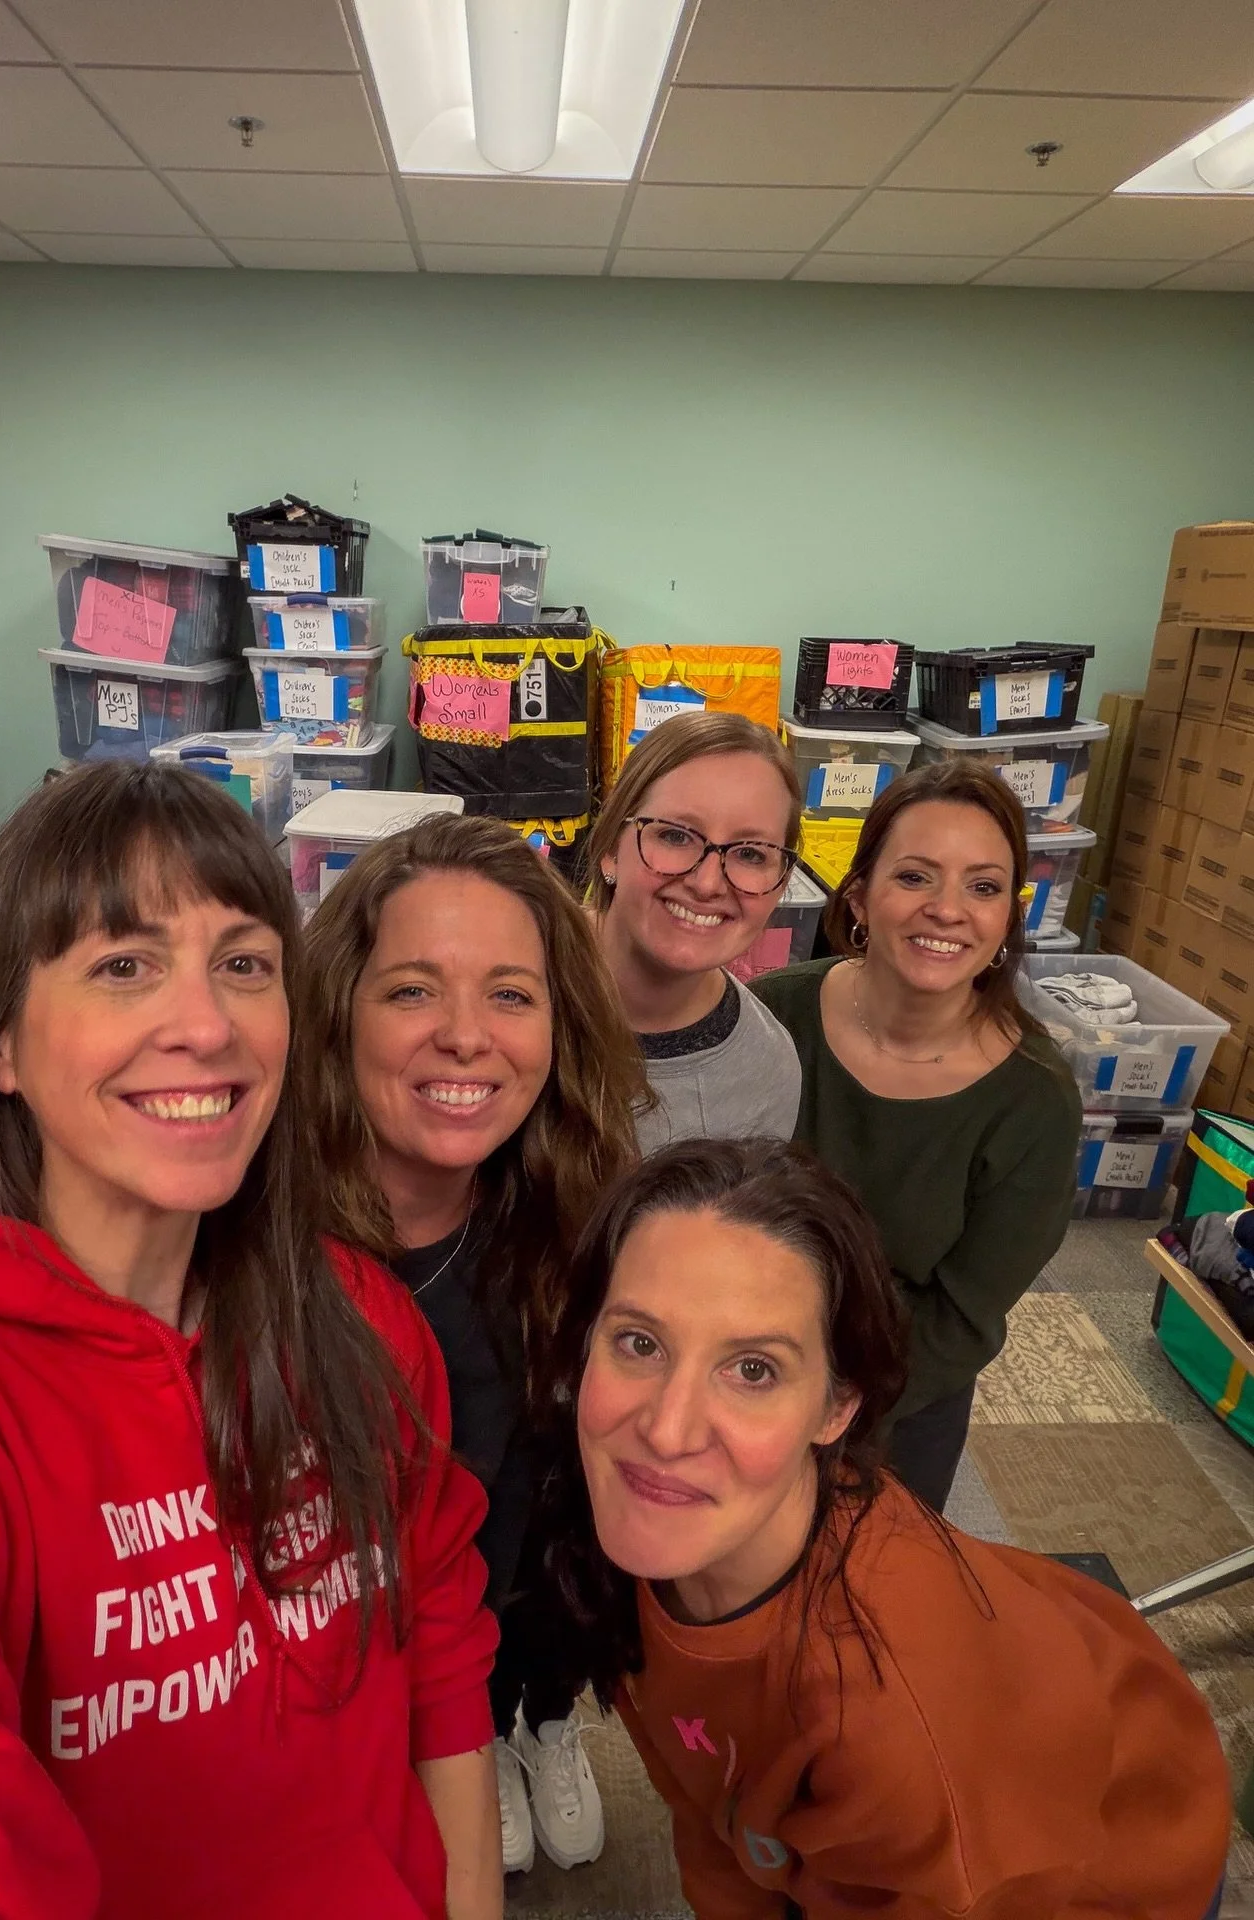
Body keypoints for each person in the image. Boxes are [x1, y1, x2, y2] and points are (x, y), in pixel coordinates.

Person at [0, 763, 502, 1920]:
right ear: (1, 1048)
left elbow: (438, 1657)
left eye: (244, 964)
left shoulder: (359, 1319)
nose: (206, 1024)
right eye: (123, 966)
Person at [546, 1137, 1231, 1920]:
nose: (666, 1431)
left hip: (1094, 1874)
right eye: (639, 1342)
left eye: (753, 1370)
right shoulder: (646, 1535)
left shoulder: (888, 1717)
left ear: (839, 1408)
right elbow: (712, 1813)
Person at [299, 812, 648, 1878]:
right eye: (412, 990)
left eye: (511, 993)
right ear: (340, 1013)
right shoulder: (249, 1244)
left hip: (471, 1640)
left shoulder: (562, 1222)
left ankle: (517, 1727)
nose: (466, 1035)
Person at [750, 760, 1082, 1512]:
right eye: (916, 877)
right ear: (860, 895)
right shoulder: (771, 1015)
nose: (948, 910)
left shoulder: (1035, 1099)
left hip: (896, 1395)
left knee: (863, 1610)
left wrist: (827, 1408)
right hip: (737, 1356)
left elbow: (962, 1319)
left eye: (984, 887)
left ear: (1008, 919)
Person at [584, 712, 804, 1152]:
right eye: (675, 836)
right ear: (611, 849)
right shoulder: (510, 976)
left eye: (750, 854)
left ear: (779, 884)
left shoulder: (765, 1073)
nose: (706, 883)